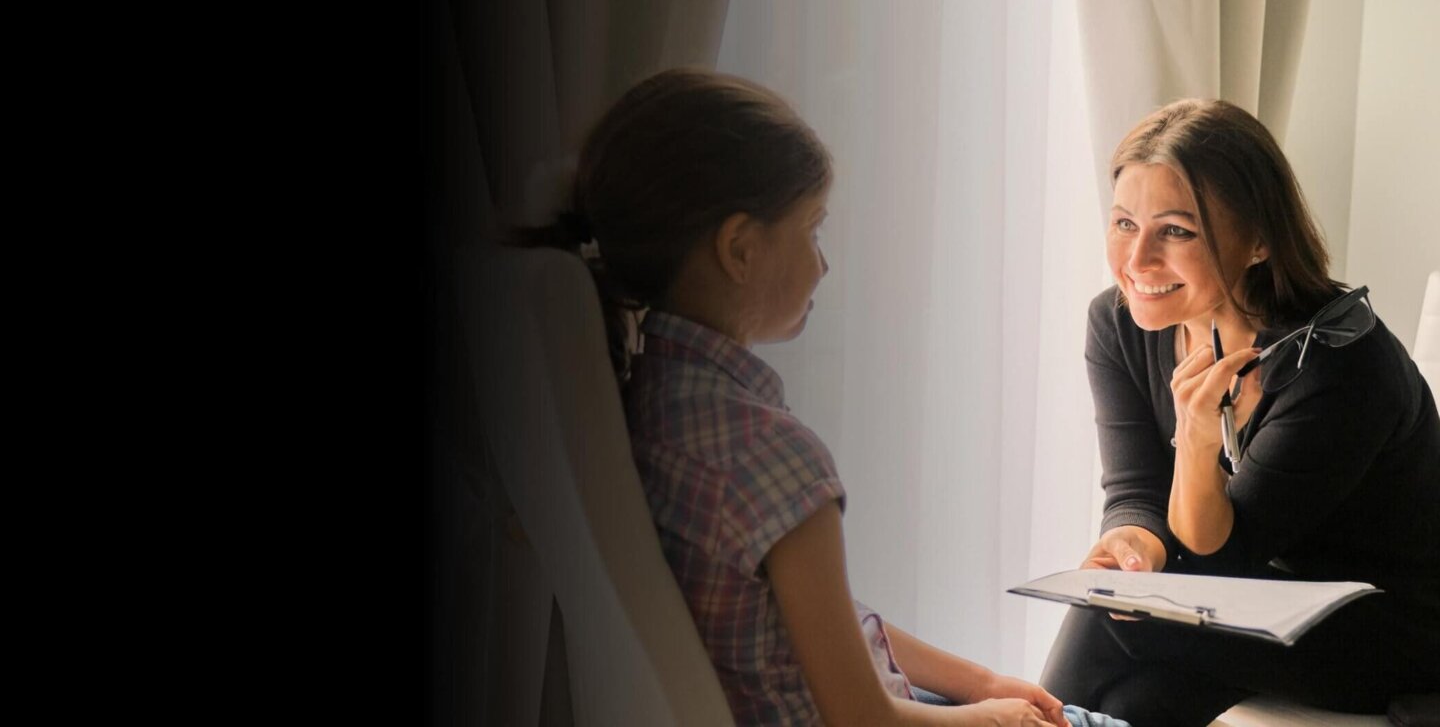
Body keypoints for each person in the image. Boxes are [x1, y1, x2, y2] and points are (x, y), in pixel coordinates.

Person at [525, 67, 1129, 726]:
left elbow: (832, 623)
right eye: (812, 231)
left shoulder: (644, 405)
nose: (823, 263)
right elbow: (863, 718)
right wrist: (993, 718)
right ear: (740, 248)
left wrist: (979, 682)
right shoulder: (774, 458)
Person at [1039, 98, 1440, 726]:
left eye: (1176, 230)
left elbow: (1222, 562)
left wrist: (1198, 441)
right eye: (1123, 224)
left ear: (1257, 240)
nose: (1137, 261)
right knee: (1136, 705)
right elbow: (1135, 491)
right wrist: (1134, 543)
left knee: (1107, 620)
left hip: (1388, 624)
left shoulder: (1341, 364)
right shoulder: (1119, 323)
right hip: (1258, 607)